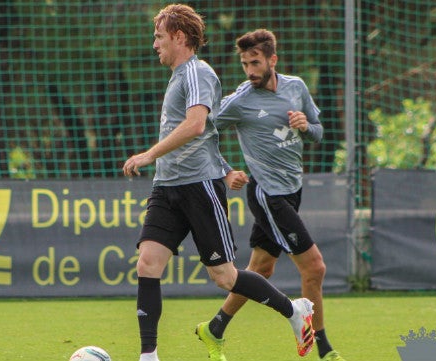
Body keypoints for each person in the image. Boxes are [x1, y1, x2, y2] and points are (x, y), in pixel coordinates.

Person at [123, 6, 315, 361]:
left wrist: (149, 154)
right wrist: (226, 167)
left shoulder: (198, 73)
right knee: (147, 264)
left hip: (199, 188)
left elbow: (197, 125)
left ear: (179, 37)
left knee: (225, 277)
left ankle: (294, 311)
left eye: (159, 37)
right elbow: (208, 135)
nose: (155, 45)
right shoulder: (178, 75)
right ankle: (148, 356)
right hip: (166, 187)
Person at [205, 29, 346, 361]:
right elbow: (202, 132)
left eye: (255, 62)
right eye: (244, 64)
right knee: (315, 268)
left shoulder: (295, 87)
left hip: (293, 191)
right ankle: (323, 349)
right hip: (268, 195)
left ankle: (214, 328)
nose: (250, 70)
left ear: (272, 60)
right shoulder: (240, 101)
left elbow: (319, 132)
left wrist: (305, 127)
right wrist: (227, 170)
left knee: (261, 270)